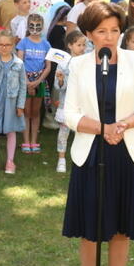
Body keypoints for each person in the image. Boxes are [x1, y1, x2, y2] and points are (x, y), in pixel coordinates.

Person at [62, 1, 134, 266]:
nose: (109, 37)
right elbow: (71, 114)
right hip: (91, 152)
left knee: (120, 229)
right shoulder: (78, 66)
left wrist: (123, 125)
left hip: (128, 153)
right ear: (89, 34)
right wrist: (103, 128)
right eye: (101, 31)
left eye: (114, 30)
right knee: (91, 228)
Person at [0, 29, 26, 174]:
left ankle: (10, 161)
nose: (4, 48)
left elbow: (23, 86)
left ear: (13, 44)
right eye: (1, 45)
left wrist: (20, 105)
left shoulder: (19, 64)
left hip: (12, 102)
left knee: (11, 130)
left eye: (7, 45)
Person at [16, 13, 51, 154]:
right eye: (32, 26)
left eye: (38, 26)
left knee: (35, 112)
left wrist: (37, 81)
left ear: (42, 27)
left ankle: (34, 141)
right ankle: (25, 141)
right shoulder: (23, 42)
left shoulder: (46, 44)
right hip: (25, 79)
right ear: (28, 26)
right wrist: (27, 82)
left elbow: (48, 66)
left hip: (39, 80)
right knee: (25, 111)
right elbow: (19, 62)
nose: (35, 29)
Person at [53, 30, 87, 172]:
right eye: (79, 45)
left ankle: (82, 158)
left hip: (83, 102)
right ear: (70, 46)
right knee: (64, 131)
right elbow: (59, 87)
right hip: (67, 102)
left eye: (84, 45)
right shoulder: (63, 64)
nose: (83, 48)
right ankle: (61, 159)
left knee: (83, 131)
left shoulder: (87, 62)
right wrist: (61, 79)